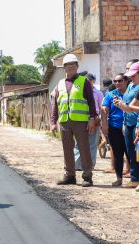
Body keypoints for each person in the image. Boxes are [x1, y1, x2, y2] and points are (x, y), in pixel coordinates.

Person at [50, 54, 97, 187]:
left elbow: (91, 102)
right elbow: (55, 104)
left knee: (84, 149)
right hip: (65, 122)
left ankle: (87, 176)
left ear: (77, 66)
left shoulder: (84, 81)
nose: (70, 67)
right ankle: (70, 176)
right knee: (67, 150)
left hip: (81, 122)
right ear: (64, 68)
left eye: (73, 64)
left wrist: (92, 119)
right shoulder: (59, 84)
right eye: (67, 65)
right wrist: (53, 122)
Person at [113, 62, 139, 188]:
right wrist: (121, 104)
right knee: (131, 153)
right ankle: (134, 178)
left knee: (137, 152)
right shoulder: (130, 86)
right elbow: (127, 105)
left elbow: (132, 107)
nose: (131, 77)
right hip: (128, 123)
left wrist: (125, 107)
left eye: (133, 75)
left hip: (136, 123)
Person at [101, 73, 130, 186]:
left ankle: (135, 178)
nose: (117, 83)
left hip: (129, 127)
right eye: (115, 81)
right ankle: (119, 178)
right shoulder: (111, 94)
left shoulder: (131, 93)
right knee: (118, 154)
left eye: (120, 80)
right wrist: (104, 125)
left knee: (131, 154)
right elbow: (104, 109)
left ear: (126, 81)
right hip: (114, 128)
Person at [74, 73, 103, 171]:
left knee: (92, 143)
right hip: (81, 119)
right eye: (86, 80)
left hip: (94, 119)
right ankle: (77, 165)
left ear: (93, 81)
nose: (87, 82)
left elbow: (101, 108)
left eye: (89, 81)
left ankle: (90, 165)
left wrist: (98, 120)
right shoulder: (78, 91)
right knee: (79, 143)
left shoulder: (98, 93)